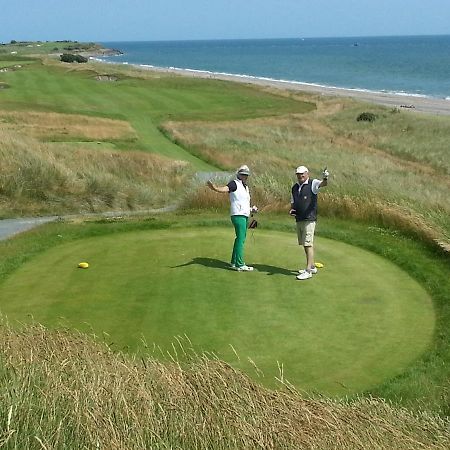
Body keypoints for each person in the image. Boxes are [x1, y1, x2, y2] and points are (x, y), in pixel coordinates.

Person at [207, 165, 257, 272]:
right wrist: (215, 188)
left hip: (244, 214)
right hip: (238, 215)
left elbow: (243, 202)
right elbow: (225, 189)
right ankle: (240, 264)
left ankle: (234, 262)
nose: (245, 176)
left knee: (239, 238)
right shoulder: (234, 183)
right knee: (241, 239)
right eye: (243, 174)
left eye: (246, 175)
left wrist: (251, 209)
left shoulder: (246, 187)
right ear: (238, 174)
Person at [289, 165, 329, 280]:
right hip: (299, 218)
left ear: (307, 173)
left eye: (302, 174)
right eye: (298, 174)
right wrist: (292, 210)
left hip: (309, 219)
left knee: (308, 244)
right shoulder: (295, 187)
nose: (300, 176)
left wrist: (325, 178)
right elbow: (293, 201)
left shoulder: (313, 183)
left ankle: (308, 271)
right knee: (304, 244)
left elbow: (323, 184)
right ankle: (311, 266)